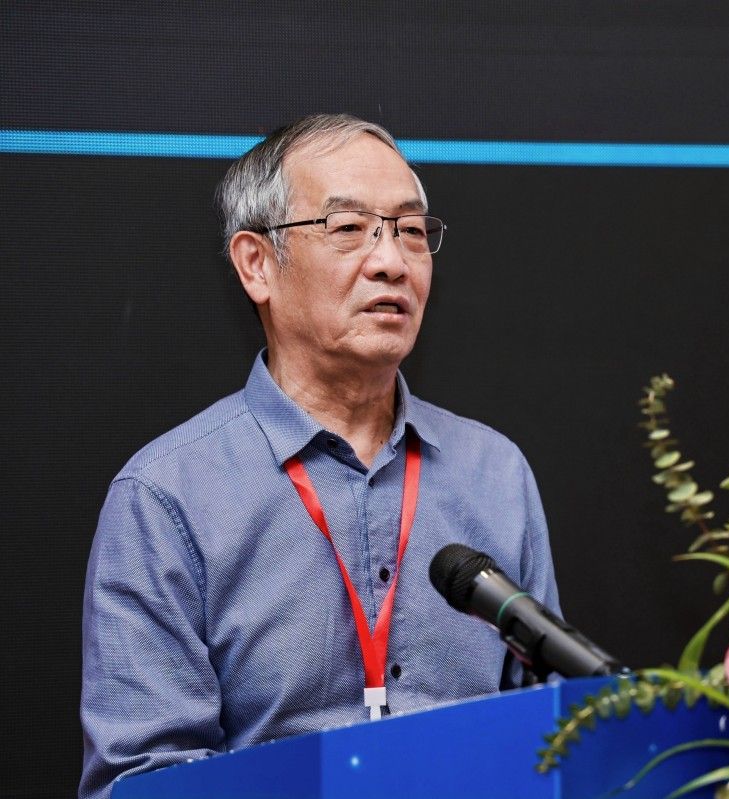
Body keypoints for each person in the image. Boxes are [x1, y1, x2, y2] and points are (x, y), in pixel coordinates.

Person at [79, 114, 559, 799]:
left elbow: (554, 736)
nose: (391, 260)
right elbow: (141, 781)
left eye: (410, 230)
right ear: (257, 264)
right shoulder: (166, 496)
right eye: (348, 228)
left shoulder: (495, 473)